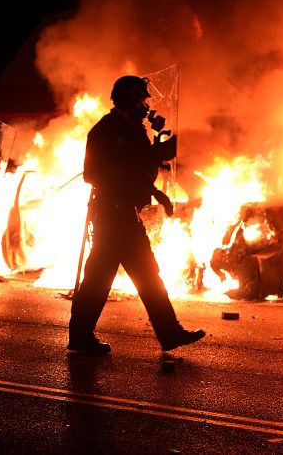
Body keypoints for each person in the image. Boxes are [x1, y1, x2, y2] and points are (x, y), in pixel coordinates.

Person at [68, 75, 205, 354]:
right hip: (112, 216)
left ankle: (166, 332)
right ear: (129, 100)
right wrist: (152, 179)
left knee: (126, 276)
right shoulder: (107, 130)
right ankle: (166, 332)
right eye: (142, 100)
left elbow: (140, 164)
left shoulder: (132, 129)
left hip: (124, 216)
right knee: (121, 277)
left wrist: (160, 148)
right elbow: (93, 174)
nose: (146, 105)